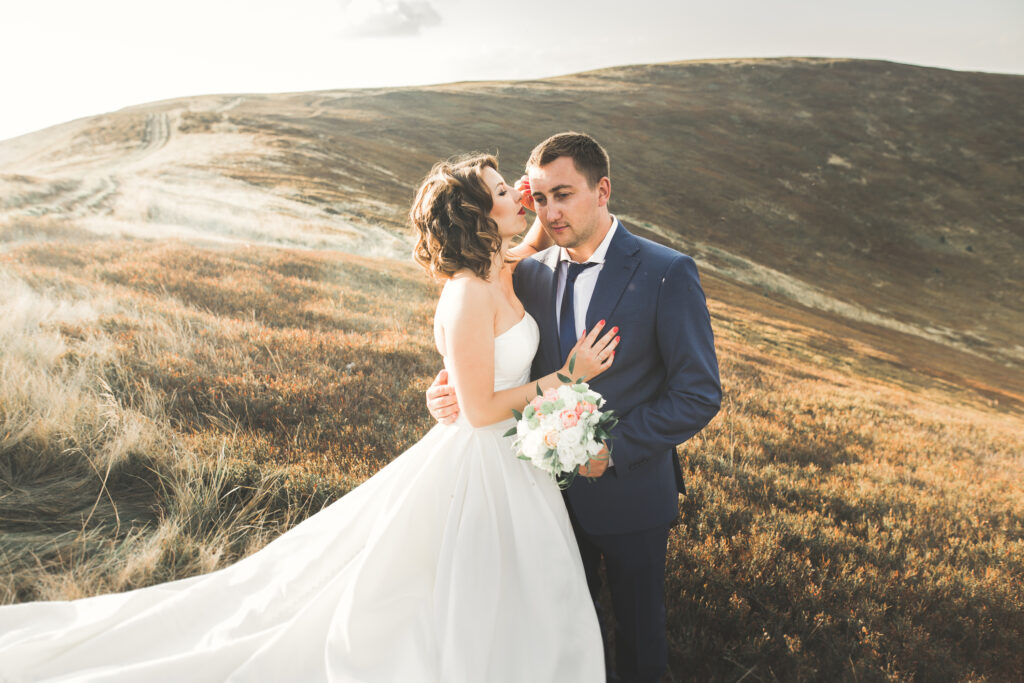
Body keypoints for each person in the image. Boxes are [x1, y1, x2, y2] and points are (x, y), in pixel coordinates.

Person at [0, 154, 618, 682]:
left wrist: (552, 196)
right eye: (504, 189)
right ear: (477, 217)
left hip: (512, 463)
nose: (521, 193)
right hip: (479, 463)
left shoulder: (501, 266)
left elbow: (541, 234)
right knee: (446, 591)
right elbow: (480, 408)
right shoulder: (466, 294)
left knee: (519, 589)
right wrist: (568, 376)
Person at [427, 132, 722, 683]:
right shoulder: (527, 272)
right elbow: (484, 341)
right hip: (538, 496)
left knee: (639, 644)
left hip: (632, 496)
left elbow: (699, 394)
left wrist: (611, 450)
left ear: (603, 188)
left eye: (564, 194)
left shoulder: (666, 272)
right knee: (553, 639)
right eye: (540, 199)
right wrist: (445, 390)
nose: (551, 211)